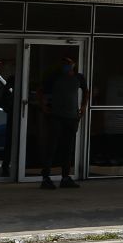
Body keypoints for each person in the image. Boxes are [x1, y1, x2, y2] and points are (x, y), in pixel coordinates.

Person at [39, 56, 87, 189]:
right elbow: (41, 90)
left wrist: (83, 106)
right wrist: (44, 106)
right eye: (65, 64)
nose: (67, 66)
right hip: (56, 116)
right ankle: (46, 177)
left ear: (73, 65)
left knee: (68, 148)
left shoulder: (79, 78)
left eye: (69, 64)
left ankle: (65, 177)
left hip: (71, 117)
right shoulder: (54, 77)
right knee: (51, 146)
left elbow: (86, 90)